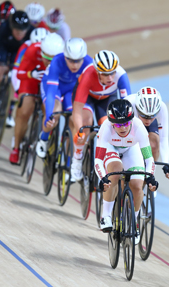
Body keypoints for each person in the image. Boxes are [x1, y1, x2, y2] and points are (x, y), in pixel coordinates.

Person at [94, 99, 158, 245]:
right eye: (117, 124)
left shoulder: (139, 127)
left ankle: (133, 222)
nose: (122, 128)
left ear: (131, 120)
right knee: (115, 173)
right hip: (112, 148)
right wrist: (103, 178)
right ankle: (106, 216)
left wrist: (150, 178)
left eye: (126, 124)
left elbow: (149, 159)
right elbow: (98, 160)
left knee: (137, 184)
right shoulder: (105, 128)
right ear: (111, 123)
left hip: (131, 149)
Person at [71, 50, 131, 182]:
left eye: (112, 73)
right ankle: (77, 158)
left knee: (109, 127)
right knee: (85, 124)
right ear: (97, 72)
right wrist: (80, 130)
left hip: (107, 99)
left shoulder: (121, 75)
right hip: (87, 98)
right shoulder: (88, 75)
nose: (110, 78)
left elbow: (128, 105)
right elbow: (77, 111)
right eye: (105, 74)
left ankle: (107, 159)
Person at [35, 38, 93, 167]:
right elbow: (51, 94)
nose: (75, 65)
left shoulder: (90, 63)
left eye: (78, 61)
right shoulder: (57, 61)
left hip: (71, 90)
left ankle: (69, 162)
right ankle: (43, 139)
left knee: (75, 119)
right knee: (54, 113)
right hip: (53, 88)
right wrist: (50, 115)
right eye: (71, 61)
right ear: (65, 56)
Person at [9, 33, 64, 165]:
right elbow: (19, 73)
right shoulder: (33, 49)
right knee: (24, 110)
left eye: (53, 59)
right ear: (41, 51)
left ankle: (47, 139)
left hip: (50, 83)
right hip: (31, 80)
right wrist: (30, 74)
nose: (48, 62)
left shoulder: (64, 58)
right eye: (46, 58)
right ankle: (16, 148)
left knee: (51, 111)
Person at [0, 10, 34, 113]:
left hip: (19, 52)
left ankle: (10, 109)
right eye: (17, 31)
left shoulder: (32, 32)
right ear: (11, 28)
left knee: (18, 79)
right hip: (4, 49)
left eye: (22, 31)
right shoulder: (4, 27)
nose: (20, 34)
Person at [124, 86, 169, 180]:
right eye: (144, 116)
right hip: (132, 122)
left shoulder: (162, 107)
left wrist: (166, 163)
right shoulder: (129, 104)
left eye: (152, 116)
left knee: (154, 143)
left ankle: (150, 176)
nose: (148, 120)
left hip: (141, 120)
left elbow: (163, 138)